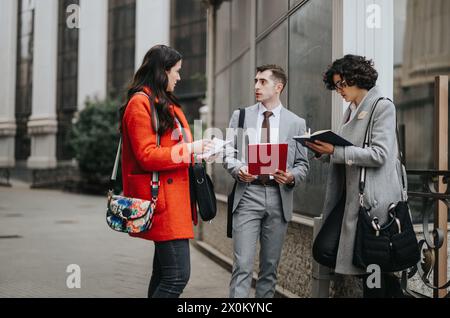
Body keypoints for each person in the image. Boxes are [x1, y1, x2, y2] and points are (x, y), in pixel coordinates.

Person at [308, 54, 405, 298]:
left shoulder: (382, 105)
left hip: (372, 200)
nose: (339, 89)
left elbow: (379, 154)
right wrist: (325, 152)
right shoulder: (352, 109)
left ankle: (392, 291)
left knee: (371, 264)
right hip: (350, 196)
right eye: (336, 85)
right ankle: (391, 289)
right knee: (325, 249)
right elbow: (350, 148)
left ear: (357, 78)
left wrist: (336, 151)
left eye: (342, 83)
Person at [120, 45, 212, 298]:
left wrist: (198, 152)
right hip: (163, 203)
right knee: (177, 277)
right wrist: (190, 149)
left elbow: (175, 147)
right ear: (162, 71)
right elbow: (147, 156)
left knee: (164, 275)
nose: (179, 77)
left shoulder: (164, 103)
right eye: (176, 71)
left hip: (175, 201)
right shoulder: (140, 103)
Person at [223, 65, 309, 298]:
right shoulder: (240, 116)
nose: (256, 86)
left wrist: (291, 176)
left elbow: (303, 165)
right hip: (247, 194)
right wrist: (239, 169)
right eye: (255, 81)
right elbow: (227, 153)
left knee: (270, 269)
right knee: (242, 266)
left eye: (262, 82)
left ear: (278, 87)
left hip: (278, 197)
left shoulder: (296, 123)